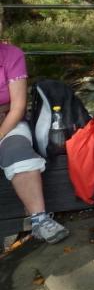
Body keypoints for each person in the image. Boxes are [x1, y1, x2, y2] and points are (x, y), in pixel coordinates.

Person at [0, 21, 69, 244]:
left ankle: (39, 220)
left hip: (8, 120)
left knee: (18, 152)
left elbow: (18, 106)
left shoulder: (11, 55)